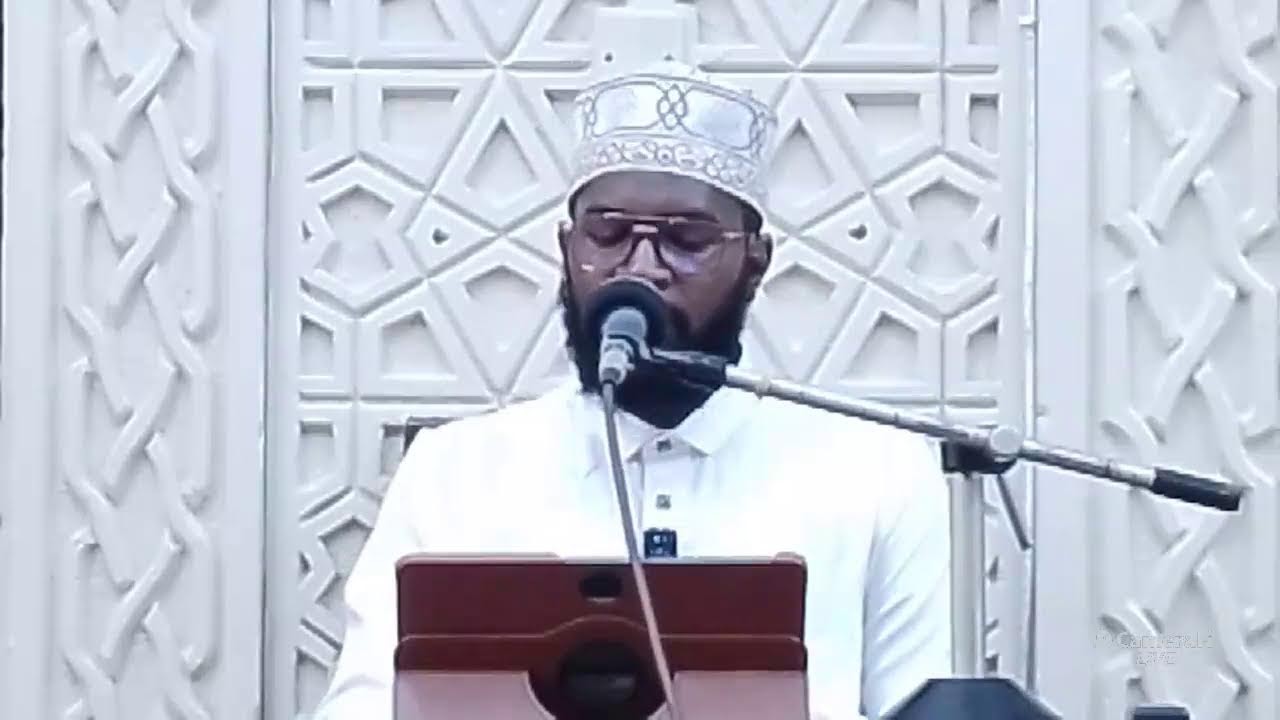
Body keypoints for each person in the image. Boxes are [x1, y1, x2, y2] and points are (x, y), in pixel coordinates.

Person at [312, 61, 951, 720]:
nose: (642, 270)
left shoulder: (878, 472)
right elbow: (362, 705)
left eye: (687, 240)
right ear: (566, 248)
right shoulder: (455, 471)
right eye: (609, 235)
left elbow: (916, 705)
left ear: (755, 261)